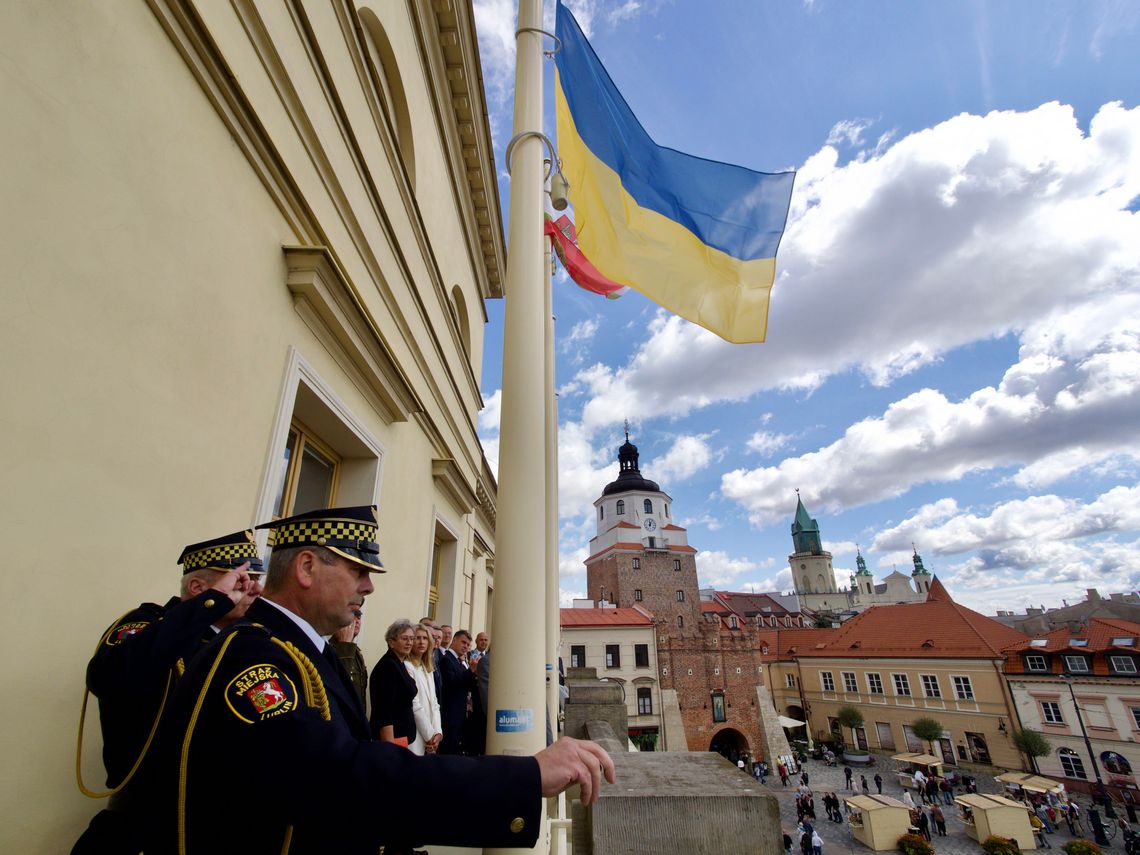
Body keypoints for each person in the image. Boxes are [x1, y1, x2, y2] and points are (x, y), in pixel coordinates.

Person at [144, 506, 615, 854]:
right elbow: (338, 777)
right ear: (307, 567)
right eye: (358, 570)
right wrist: (524, 775)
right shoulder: (251, 654)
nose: (369, 586)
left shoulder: (300, 650)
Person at [72, 529, 262, 854]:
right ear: (198, 588)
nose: (256, 589)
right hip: (143, 829)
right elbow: (108, 676)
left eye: (257, 579)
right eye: (242, 581)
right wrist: (209, 605)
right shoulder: (147, 625)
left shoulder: (247, 641)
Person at [369, 619, 418, 746]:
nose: (409, 643)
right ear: (391, 642)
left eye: (412, 639)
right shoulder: (388, 666)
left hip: (403, 737)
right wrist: (389, 748)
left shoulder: (399, 663)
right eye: (405, 639)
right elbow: (383, 711)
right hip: (393, 740)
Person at [438, 629, 478, 755]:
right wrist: (471, 670)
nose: (465, 646)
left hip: (460, 714)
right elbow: (452, 683)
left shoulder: (460, 661)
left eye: (468, 644)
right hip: (450, 715)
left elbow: (467, 684)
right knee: (448, 751)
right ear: (454, 640)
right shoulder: (446, 660)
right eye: (463, 642)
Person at [407, 624, 442, 755]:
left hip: (430, 735)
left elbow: (434, 703)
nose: (421, 642)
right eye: (417, 638)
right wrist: (430, 736)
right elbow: (415, 705)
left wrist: (438, 732)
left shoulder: (428, 668)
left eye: (425, 638)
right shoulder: (407, 666)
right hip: (415, 733)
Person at [329, 608, 367, 710]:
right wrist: (344, 645)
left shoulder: (356, 653)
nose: (357, 620)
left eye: (359, 616)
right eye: (353, 615)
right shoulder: (328, 650)